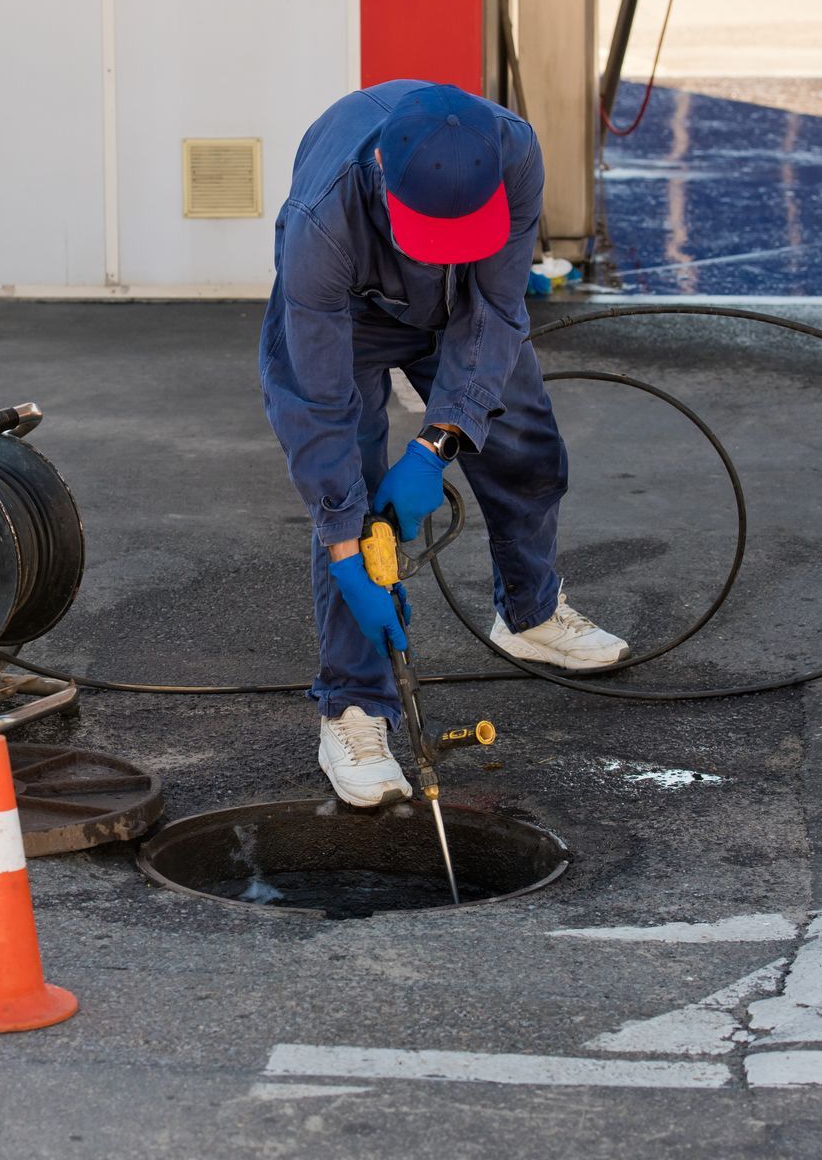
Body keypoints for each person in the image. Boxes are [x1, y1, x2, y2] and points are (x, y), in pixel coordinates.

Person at [260, 79, 628, 808]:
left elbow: (496, 305)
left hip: (465, 301)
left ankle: (531, 613)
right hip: (353, 317)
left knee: (525, 445)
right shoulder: (322, 224)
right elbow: (318, 402)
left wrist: (437, 442)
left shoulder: (512, 152)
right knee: (358, 506)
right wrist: (347, 551)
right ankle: (355, 707)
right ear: (383, 186)